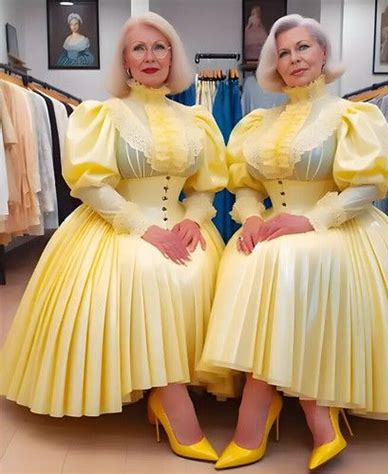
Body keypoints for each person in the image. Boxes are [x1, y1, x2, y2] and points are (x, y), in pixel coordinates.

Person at [199, 13, 388, 470]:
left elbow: (366, 186)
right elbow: (244, 185)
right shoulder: (257, 124)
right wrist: (248, 220)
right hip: (271, 224)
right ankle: (301, 408)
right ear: (274, 65)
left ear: (323, 54)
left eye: (303, 47)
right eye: (283, 52)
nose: (294, 59)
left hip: (339, 224)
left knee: (296, 264)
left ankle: (266, 410)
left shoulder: (351, 115)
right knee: (247, 261)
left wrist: (312, 221)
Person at [0, 12, 230, 463]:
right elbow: (89, 184)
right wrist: (143, 228)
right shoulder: (101, 114)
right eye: (138, 48)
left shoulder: (197, 119)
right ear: (124, 60)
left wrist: (195, 217)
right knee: (147, 272)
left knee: (201, 268)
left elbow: (207, 186)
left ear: (172, 56)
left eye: (159, 47)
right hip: (115, 221)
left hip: (180, 222)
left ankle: (172, 387)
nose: (149, 57)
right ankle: (169, 397)